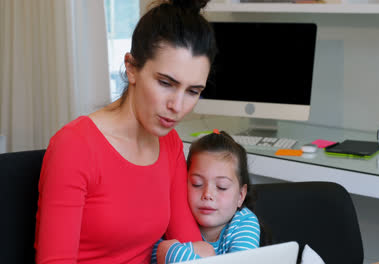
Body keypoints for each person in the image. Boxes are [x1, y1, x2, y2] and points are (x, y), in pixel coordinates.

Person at [34, 0, 217, 263]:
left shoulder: (170, 144)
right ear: (131, 68)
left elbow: (189, 246)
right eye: (166, 83)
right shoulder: (75, 147)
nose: (177, 106)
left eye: (192, 91)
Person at [151, 131, 260, 264]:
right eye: (197, 184)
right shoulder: (175, 217)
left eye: (221, 186)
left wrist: (174, 252)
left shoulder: (244, 222)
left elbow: (166, 253)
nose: (207, 194)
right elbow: (154, 254)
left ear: (241, 196)